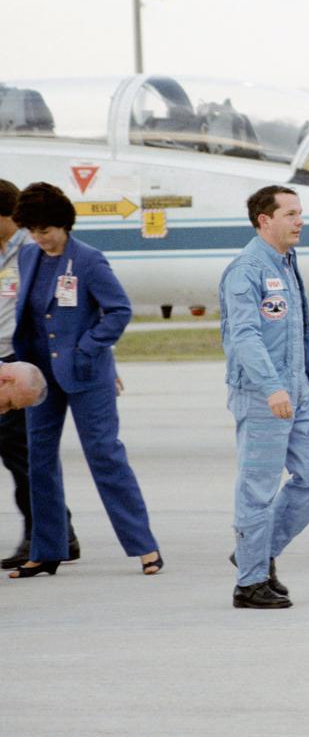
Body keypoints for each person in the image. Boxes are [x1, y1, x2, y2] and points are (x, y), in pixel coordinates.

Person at [8, 182, 161, 579]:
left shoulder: (89, 261)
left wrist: (87, 349)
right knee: (39, 461)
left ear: (63, 224)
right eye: (33, 231)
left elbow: (118, 311)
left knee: (104, 455)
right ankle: (47, 550)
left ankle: (144, 546)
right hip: (39, 376)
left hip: (86, 374)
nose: (39, 238)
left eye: (45, 230)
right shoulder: (28, 256)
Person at [220, 185, 309, 609]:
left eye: (300, 212)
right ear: (264, 220)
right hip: (262, 393)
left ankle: (258, 550)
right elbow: (244, 338)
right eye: (290, 213)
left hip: (297, 390)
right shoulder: (246, 270)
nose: (299, 220)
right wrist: (272, 389)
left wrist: (295, 385)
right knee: (258, 489)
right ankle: (249, 584)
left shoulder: (286, 263)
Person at [0, 179, 79, 569]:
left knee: (23, 455)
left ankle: (45, 533)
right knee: (19, 454)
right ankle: (57, 529)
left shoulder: (35, 251)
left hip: (18, 363)